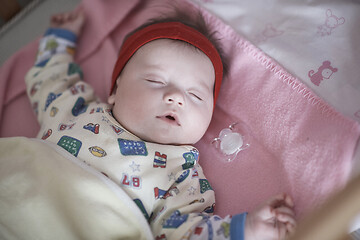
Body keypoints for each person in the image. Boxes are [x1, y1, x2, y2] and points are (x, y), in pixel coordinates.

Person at [25, 7, 296, 240]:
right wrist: (59, 41)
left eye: (195, 95)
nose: (176, 97)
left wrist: (245, 229)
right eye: (155, 81)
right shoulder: (76, 109)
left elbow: (187, 232)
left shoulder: (180, 174)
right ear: (115, 90)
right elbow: (50, 80)